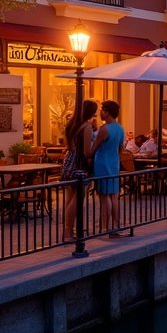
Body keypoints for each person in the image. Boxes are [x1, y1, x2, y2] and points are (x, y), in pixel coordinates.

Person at [87, 100, 126, 237]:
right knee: (114, 195)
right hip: (114, 162)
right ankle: (116, 225)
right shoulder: (120, 128)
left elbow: (93, 148)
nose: (100, 113)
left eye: (102, 110)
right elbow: (121, 148)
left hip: (102, 163)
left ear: (107, 111)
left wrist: (87, 153)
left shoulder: (105, 129)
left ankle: (106, 226)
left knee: (104, 195)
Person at [61, 100, 98, 242]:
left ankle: (67, 230)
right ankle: (69, 233)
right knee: (77, 199)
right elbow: (86, 151)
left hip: (68, 161)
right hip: (79, 165)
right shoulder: (87, 127)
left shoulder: (71, 125)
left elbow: (70, 146)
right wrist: (96, 148)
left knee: (69, 198)